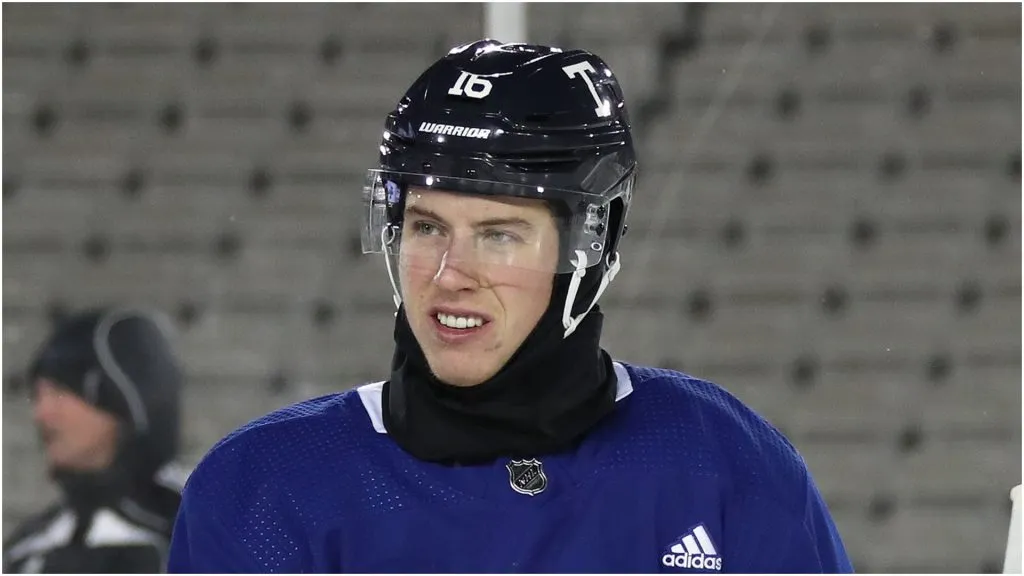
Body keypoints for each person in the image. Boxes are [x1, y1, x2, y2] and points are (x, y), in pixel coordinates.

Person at [168, 39, 853, 573]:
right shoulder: (266, 487)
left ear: (586, 246)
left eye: (498, 235)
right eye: (428, 227)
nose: (448, 274)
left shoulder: (724, 463)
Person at [4, 307, 187, 573]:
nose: (41, 413)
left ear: (125, 400)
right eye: (37, 395)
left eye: (60, 391)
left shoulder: (198, 537)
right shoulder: (27, 550)